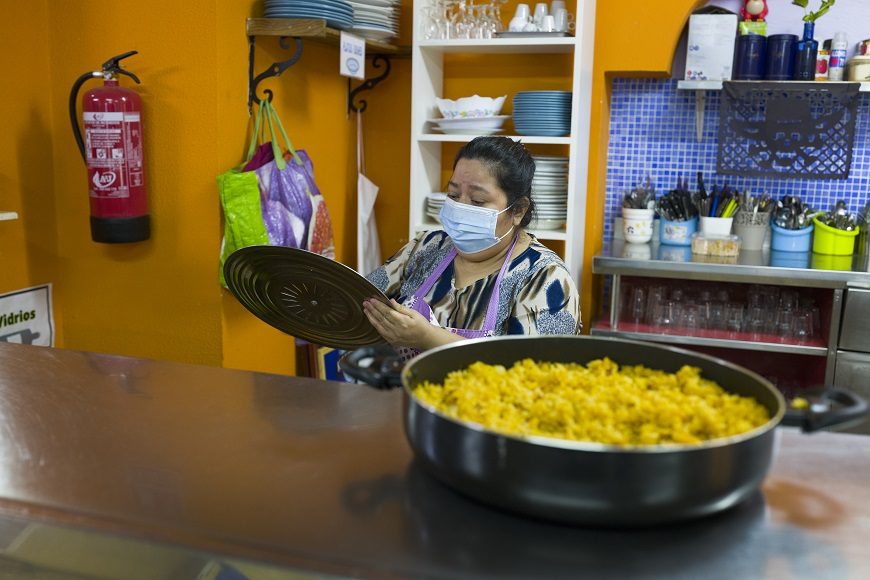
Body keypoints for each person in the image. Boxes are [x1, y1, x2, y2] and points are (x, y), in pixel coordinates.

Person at [363, 136, 581, 357]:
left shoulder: (545, 278)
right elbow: (361, 297)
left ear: (518, 210)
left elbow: (535, 371)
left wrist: (428, 337)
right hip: (397, 390)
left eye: (477, 201)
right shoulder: (427, 246)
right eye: (453, 195)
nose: (459, 208)